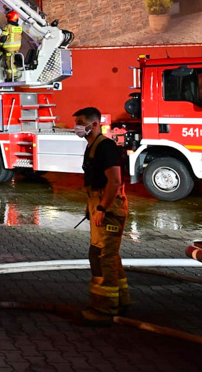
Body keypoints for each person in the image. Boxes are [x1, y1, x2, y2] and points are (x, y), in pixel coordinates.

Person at [73, 106, 130, 325]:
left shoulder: (105, 147)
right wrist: (92, 206)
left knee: (102, 255)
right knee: (108, 255)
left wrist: (102, 209)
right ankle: (121, 300)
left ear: (94, 124)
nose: (76, 127)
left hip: (109, 209)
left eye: (80, 122)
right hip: (100, 204)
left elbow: (114, 182)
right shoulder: (92, 146)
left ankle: (105, 309)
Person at [0, 10, 22, 81]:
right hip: (17, 48)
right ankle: (14, 75)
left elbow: (3, 37)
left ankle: (10, 77)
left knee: (9, 63)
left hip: (9, 48)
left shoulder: (8, 27)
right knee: (14, 62)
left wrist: (0, 45)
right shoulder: (19, 27)